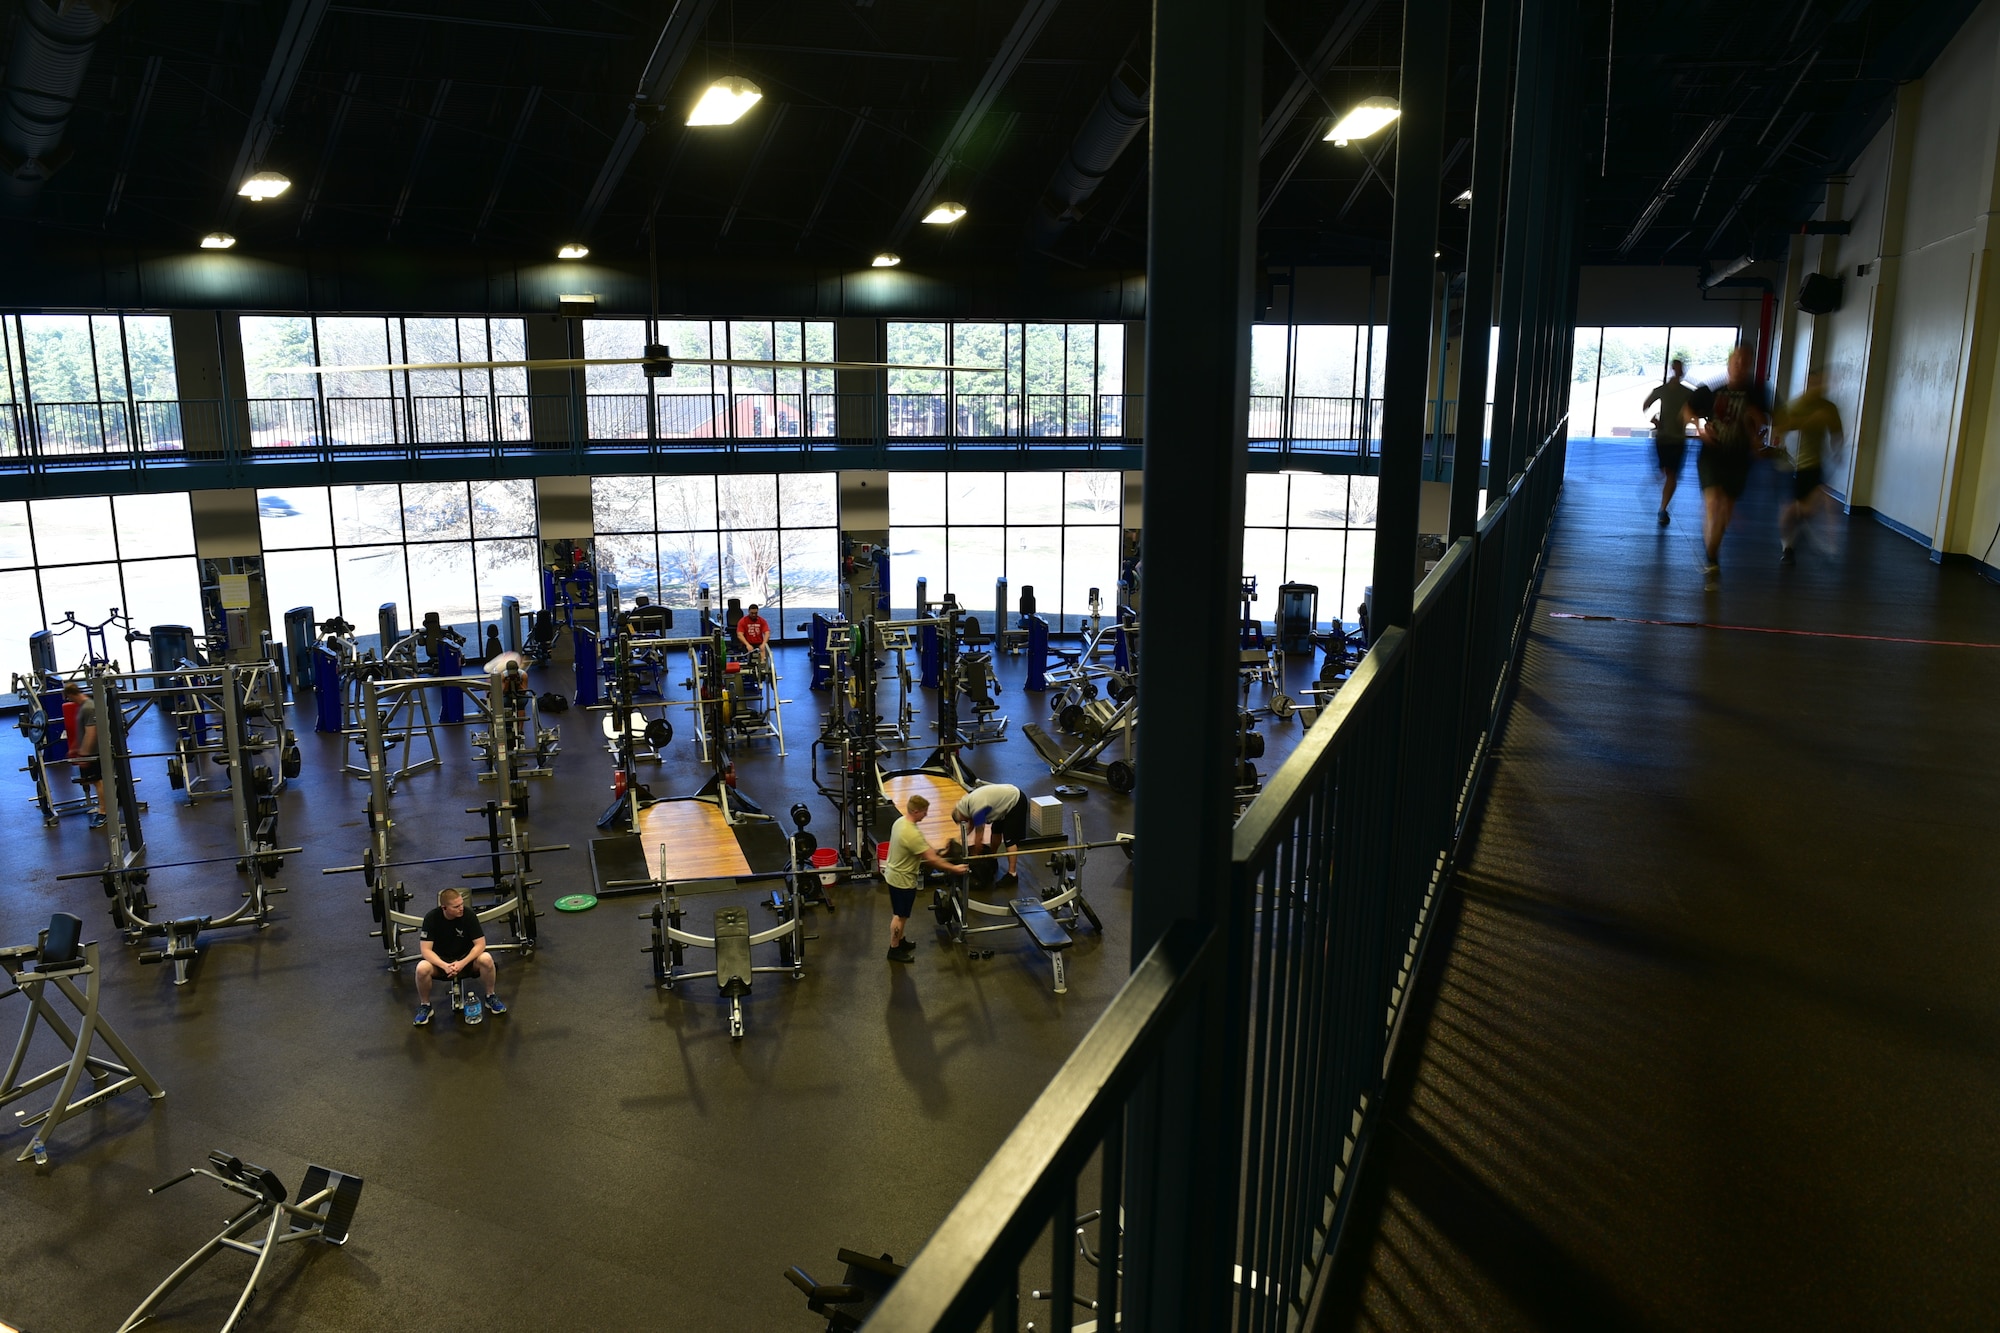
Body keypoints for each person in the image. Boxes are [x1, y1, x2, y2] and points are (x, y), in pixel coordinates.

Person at [1695, 346, 1771, 590]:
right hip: (1712, 455)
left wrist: (1758, 435)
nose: (1740, 364)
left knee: (1724, 509)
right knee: (1713, 503)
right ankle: (1712, 561)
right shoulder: (1713, 389)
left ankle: (1712, 553)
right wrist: (1700, 429)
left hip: (1738, 459)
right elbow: (1690, 410)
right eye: (1736, 360)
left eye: (1745, 361)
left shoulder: (1757, 393)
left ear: (1749, 365)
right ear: (1729, 363)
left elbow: (1765, 423)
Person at [882, 795, 967, 963]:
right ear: (915, 811)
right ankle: (894, 948)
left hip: (895, 876)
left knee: (902, 915)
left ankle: (901, 941)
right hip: (902, 881)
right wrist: (954, 868)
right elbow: (932, 859)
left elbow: (926, 850)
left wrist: (942, 852)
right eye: (924, 812)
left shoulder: (901, 822)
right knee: (899, 916)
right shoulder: (911, 833)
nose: (926, 815)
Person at [1776, 371, 1845, 564]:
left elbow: (1836, 431)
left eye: (1822, 383)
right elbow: (1782, 427)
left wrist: (1837, 451)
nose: (1819, 387)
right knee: (1791, 509)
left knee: (1808, 509)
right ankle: (1787, 547)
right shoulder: (1796, 405)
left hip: (1815, 463)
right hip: (1792, 464)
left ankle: (1796, 521)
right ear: (1808, 384)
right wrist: (1808, 421)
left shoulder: (1829, 408)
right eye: (1815, 383)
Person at [414, 888, 507, 1025]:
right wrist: (444, 965)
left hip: (466, 961)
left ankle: (490, 996)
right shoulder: (431, 918)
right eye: (456, 906)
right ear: (444, 907)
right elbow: (426, 950)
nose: (461, 908)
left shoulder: (468, 915)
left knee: (486, 958)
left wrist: (462, 963)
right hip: (442, 964)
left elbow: (480, 944)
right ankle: (425, 1006)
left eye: (462, 904)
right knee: (421, 968)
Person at [1643, 358, 1696, 525]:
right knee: (1666, 473)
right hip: (1663, 438)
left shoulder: (1688, 393)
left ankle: (1662, 509)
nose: (1679, 371)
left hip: (1677, 440)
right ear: (1674, 370)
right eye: (1678, 368)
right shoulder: (1663, 390)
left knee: (1671, 474)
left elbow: (1697, 411)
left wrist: (1691, 419)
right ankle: (1662, 507)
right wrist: (1654, 420)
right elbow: (1645, 405)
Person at [951, 781, 1027, 883]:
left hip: (1015, 801)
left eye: (962, 822)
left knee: (1010, 840)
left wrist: (976, 855)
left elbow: (979, 836)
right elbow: (971, 826)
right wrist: (957, 839)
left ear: (963, 816)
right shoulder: (964, 805)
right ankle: (993, 858)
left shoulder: (977, 809)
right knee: (995, 831)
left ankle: (1012, 874)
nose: (965, 822)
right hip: (1002, 802)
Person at [62, 680, 105, 828]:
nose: (68, 700)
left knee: (99, 781)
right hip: (87, 751)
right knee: (94, 781)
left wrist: (85, 754)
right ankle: (104, 807)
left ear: (70, 695)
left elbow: (91, 733)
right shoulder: (83, 707)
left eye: (68, 697)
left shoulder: (89, 707)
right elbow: (81, 730)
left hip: (94, 751)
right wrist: (74, 748)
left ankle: (104, 813)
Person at [736, 603, 772, 668]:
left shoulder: (762, 621)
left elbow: (767, 633)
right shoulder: (743, 621)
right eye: (752, 613)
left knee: (763, 649)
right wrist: (747, 644)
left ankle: (762, 665)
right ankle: (751, 666)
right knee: (750, 654)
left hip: (759, 643)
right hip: (747, 643)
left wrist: (764, 644)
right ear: (748, 612)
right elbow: (739, 635)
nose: (754, 615)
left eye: (755, 613)